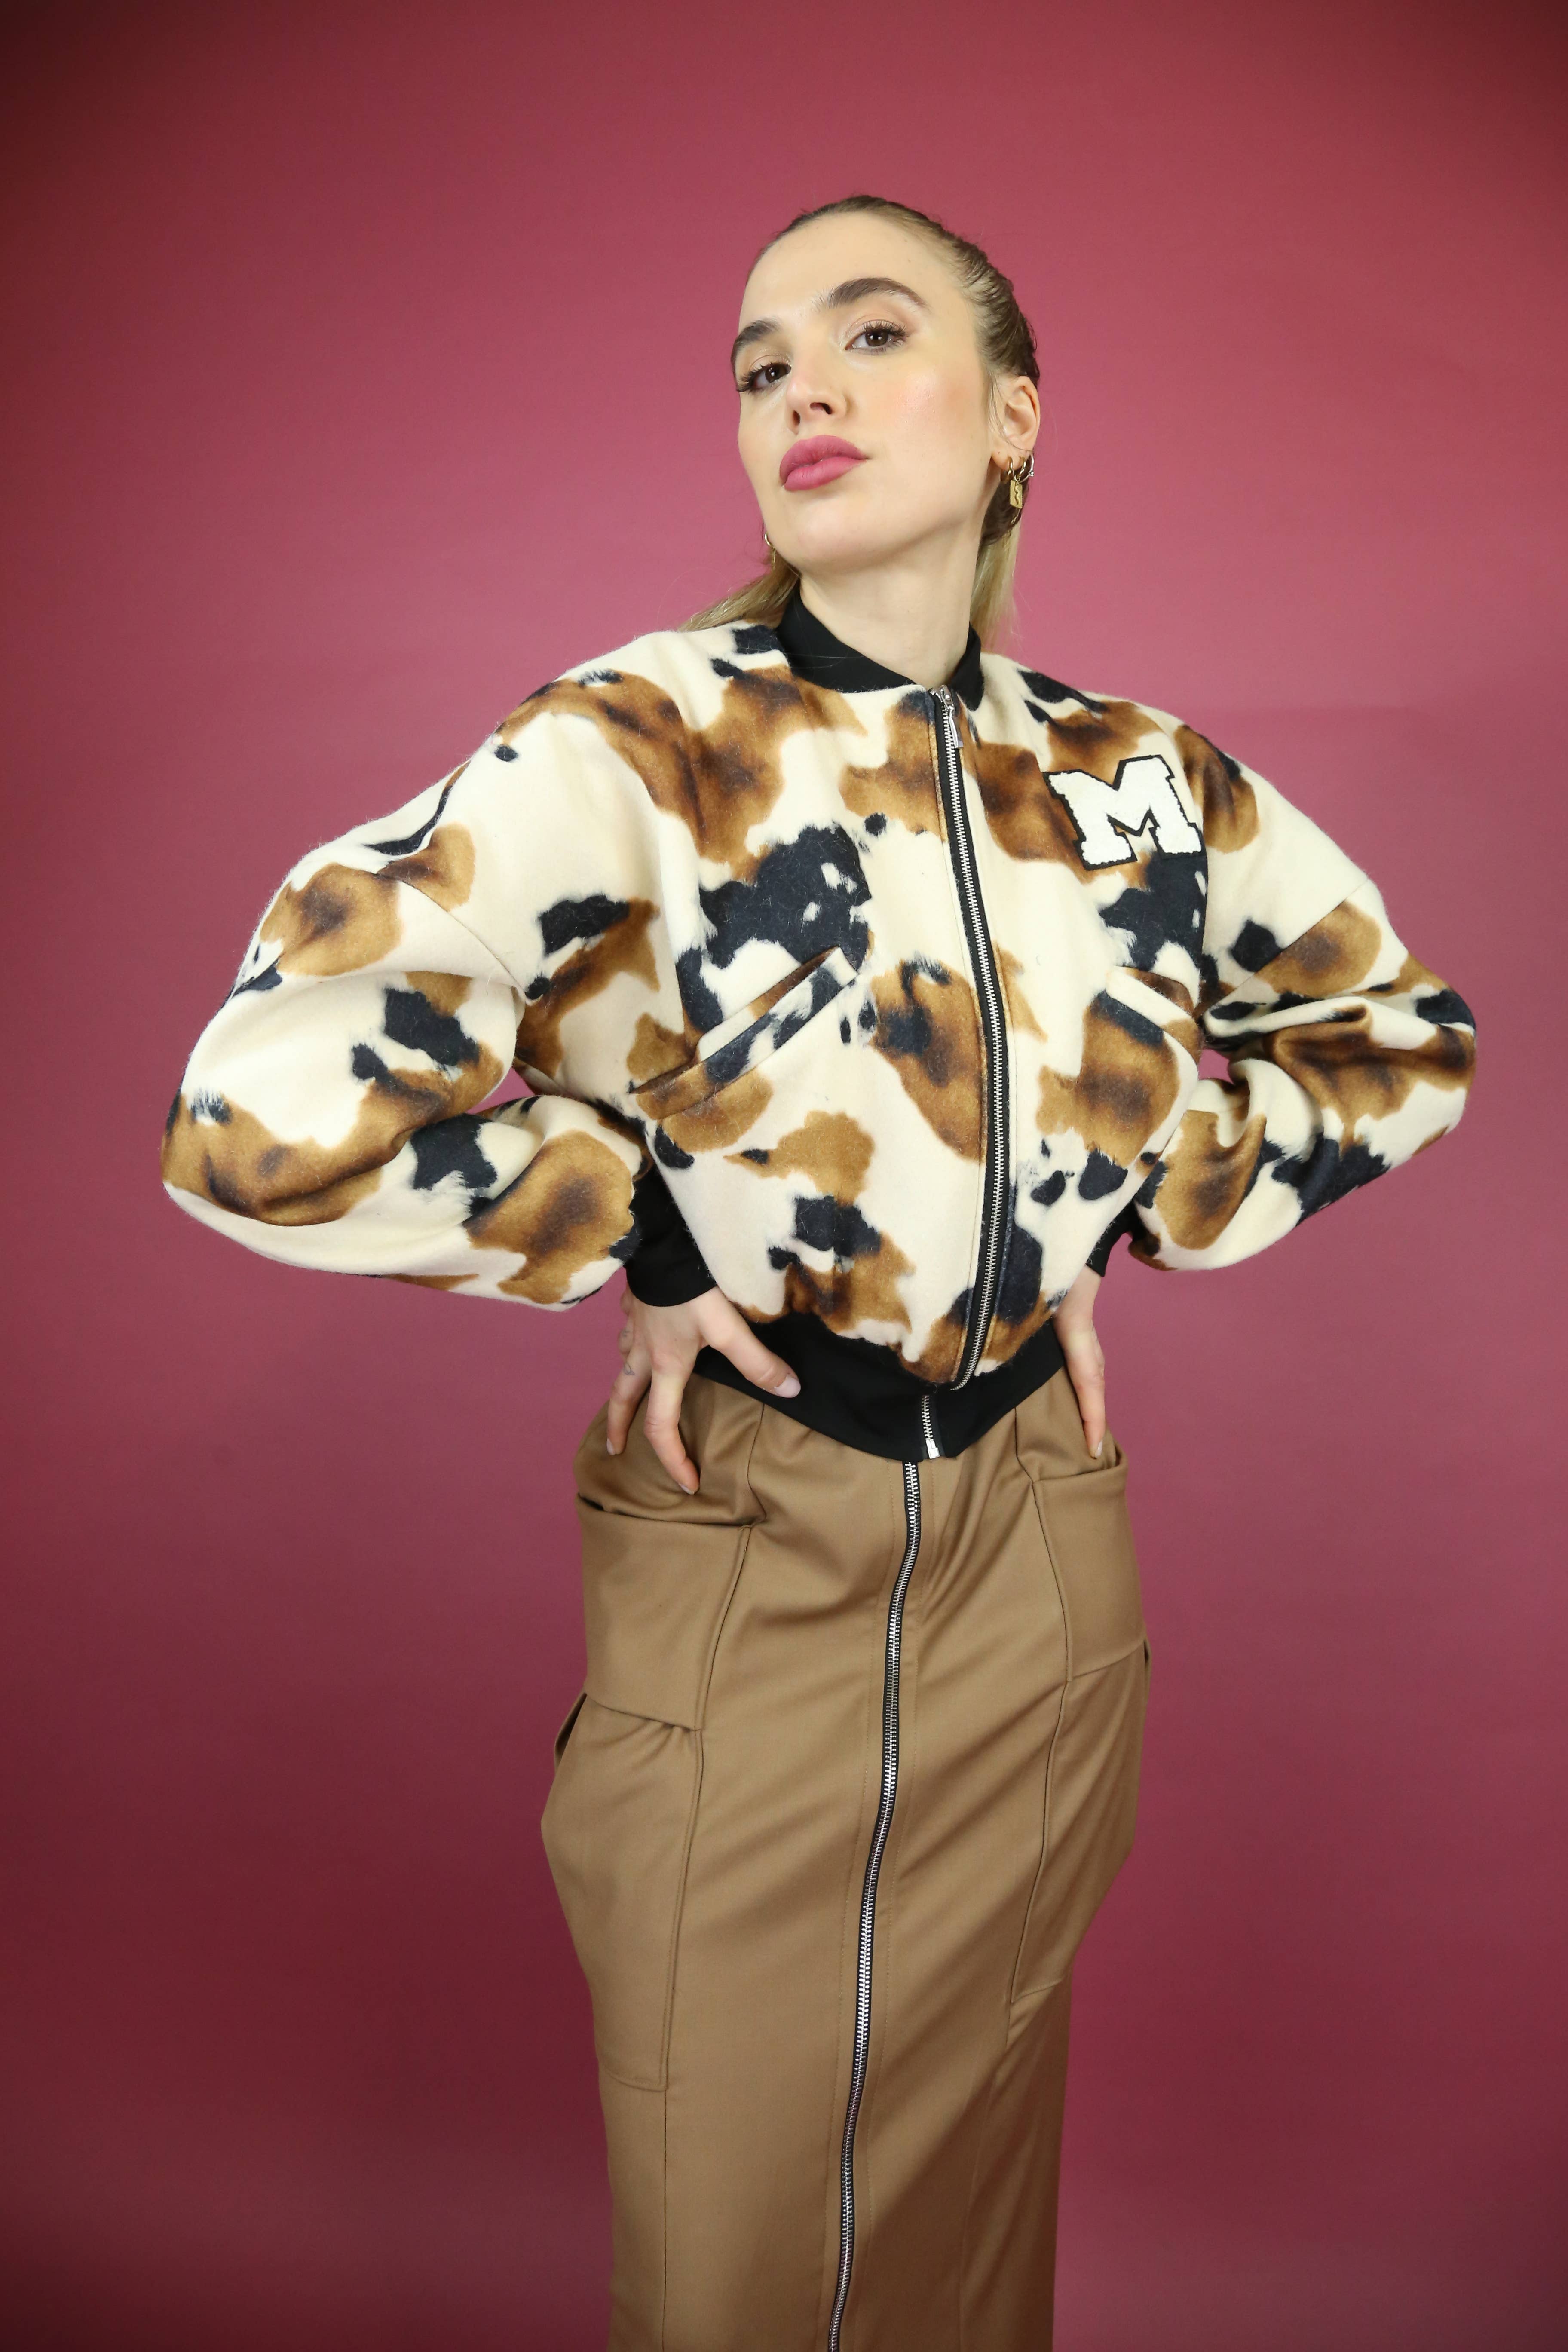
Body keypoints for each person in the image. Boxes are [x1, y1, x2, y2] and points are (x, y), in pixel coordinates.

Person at [160, 194, 1476, 2351]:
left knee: (968, 2235)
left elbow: (1396, 1035)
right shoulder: (636, 741)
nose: (806, 392)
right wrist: (628, 1221)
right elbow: (258, 1101)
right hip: (758, 1533)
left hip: (1040, 1551)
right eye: (765, 364)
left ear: (1014, 416)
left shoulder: (1133, 778)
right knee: (737, 2255)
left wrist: (1110, 1193)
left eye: (871, 335)